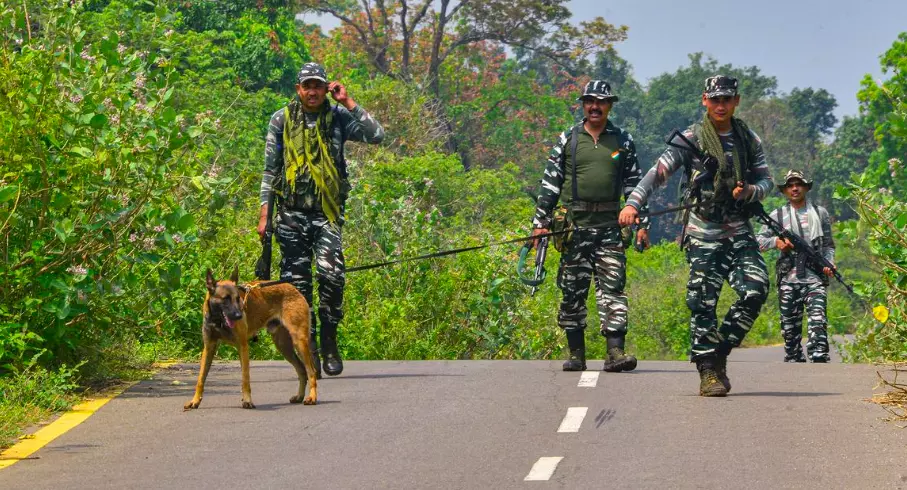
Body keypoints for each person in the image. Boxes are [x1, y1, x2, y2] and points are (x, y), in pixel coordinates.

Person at [619, 75, 773, 397]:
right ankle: (707, 372)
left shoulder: (748, 139)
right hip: (703, 231)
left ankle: (720, 352)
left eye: (727, 99)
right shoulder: (692, 138)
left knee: (756, 289)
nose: (721, 105)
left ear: (736, 101)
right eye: (715, 99)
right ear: (705, 100)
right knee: (703, 302)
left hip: (739, 229)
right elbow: (657, 174)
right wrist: (633, 203)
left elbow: (767, 181)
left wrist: (750, 191)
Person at [258, 62, 385, 377]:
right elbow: (270, 170)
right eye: (307, 86)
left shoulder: (338, 117)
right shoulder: (281, 119)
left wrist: (348, 101)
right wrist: (264, 215)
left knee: (332, 277)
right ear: (298, 89)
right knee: (297, 288)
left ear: (326, 88)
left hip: (327, 214)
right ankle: (309, 348)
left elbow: (377, 135)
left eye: (318, 86)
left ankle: (330, 341)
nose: (312, 92)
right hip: (290, 215)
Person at [531, 80, 650, 373]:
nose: (595, 107)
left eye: (601, 102)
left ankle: (615, 353)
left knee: (613, 290)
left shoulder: (622, 140)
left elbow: (634, 184)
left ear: (610, 105)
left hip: (611, 227)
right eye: (590, 101)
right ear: (583, 105)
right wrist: (540, 223)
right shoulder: (568, 139)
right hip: (575, 228)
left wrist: (641, 222)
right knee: (572, 291)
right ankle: (576, 354)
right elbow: (550, 184)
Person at [756, 170, 835, 363]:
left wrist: (829, 264)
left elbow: (828, 245)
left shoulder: (820, 213)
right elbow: (758, 241)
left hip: (815, 278)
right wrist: (776, 242)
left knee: (818, 320)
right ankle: (794, 360)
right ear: (785, 191)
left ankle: (819, 357)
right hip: (788, 279)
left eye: (798, 184)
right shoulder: (777, 215)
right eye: (790, 185)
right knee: (789, 330)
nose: (794, 188)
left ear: (806, 188)